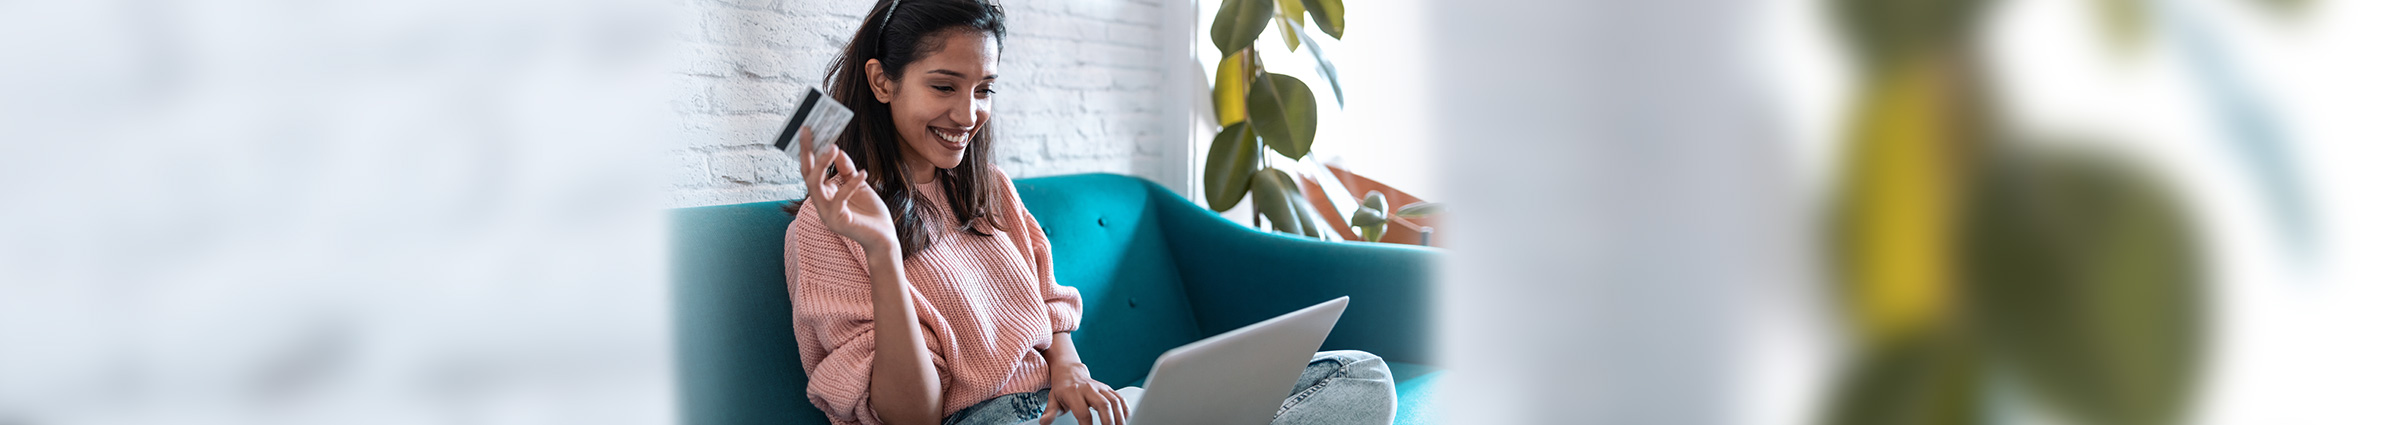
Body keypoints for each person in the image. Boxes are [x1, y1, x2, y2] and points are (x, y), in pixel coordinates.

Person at [782, 1, 1397, 424]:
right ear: (883, 81)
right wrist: (885, 250)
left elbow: (1050, 312)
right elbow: (911, 415)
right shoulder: (826, 228)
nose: (968, 115)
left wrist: (1070, 372)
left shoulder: (989, 190)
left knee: (1361, 377)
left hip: (1062, 410)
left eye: (984, 89)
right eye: (944, 86)